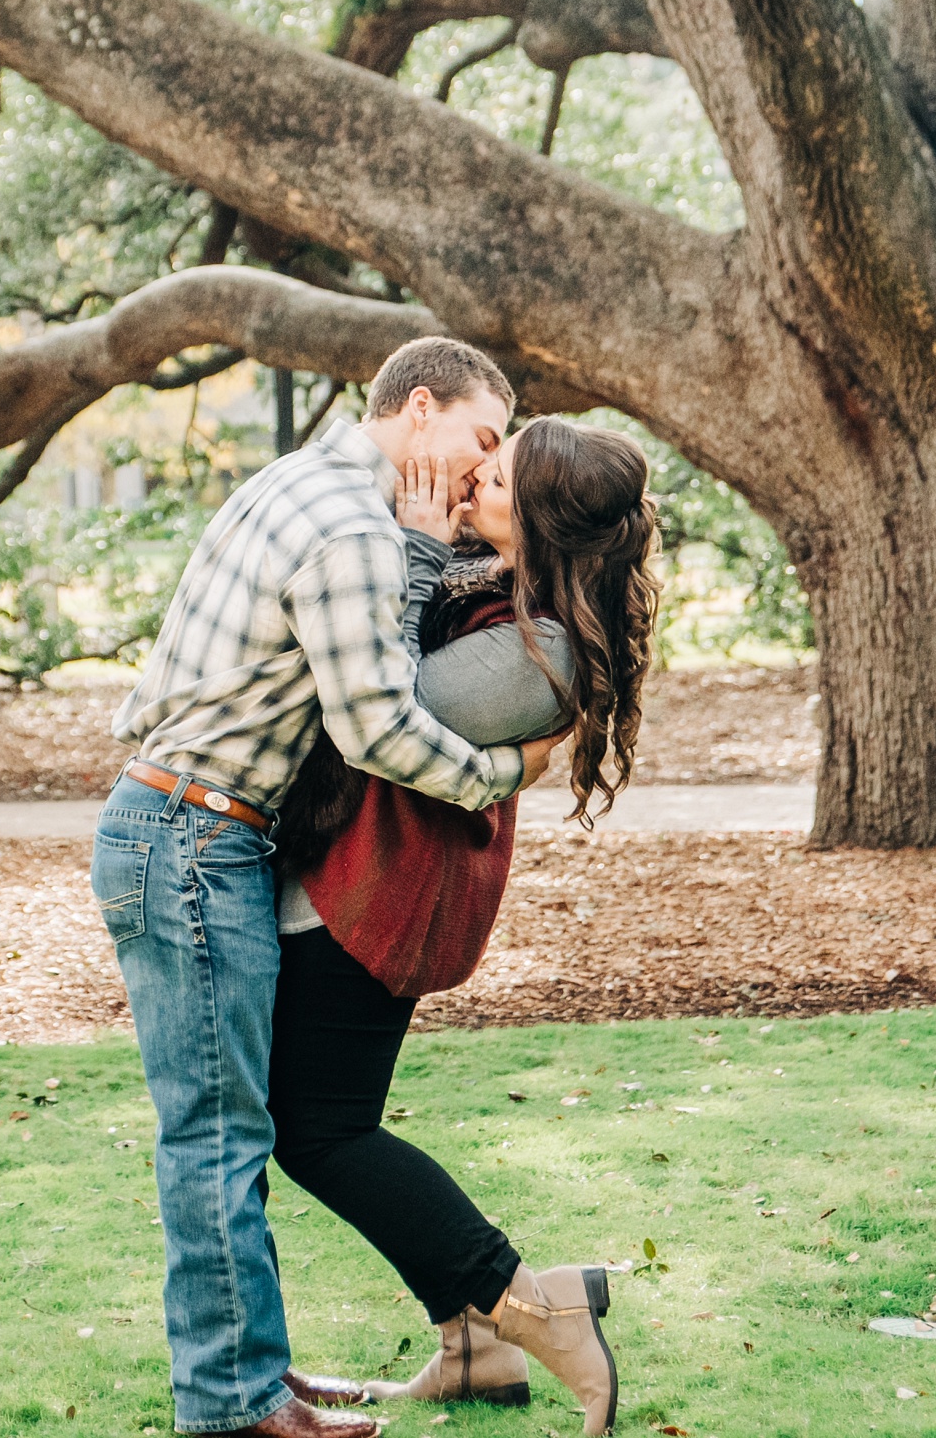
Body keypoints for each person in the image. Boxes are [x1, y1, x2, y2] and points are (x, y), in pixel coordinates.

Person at [94, 337, 588, 1438]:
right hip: (189, 837)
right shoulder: (355, 527)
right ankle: (233, 1408)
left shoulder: (308, 482)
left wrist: (423, 552)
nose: (481, 463)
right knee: (216, 1136)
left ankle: (249, 1379)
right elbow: (375, 726)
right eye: (478, 436)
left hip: (189, 828)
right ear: (419, 409)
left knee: (231, 1127)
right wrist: (498, 778)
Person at [267, 419, 658, 1436]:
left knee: (320, 1132)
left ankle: (530, 1302)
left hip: (376, 898)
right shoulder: (501, 598)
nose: (463, 485)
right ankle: (473, 1347)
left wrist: (409, 544)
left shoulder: (541, 650)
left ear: (532, 518)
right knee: (317, 1123)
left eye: (490, 480)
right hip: (362, 884)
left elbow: (382, 716)